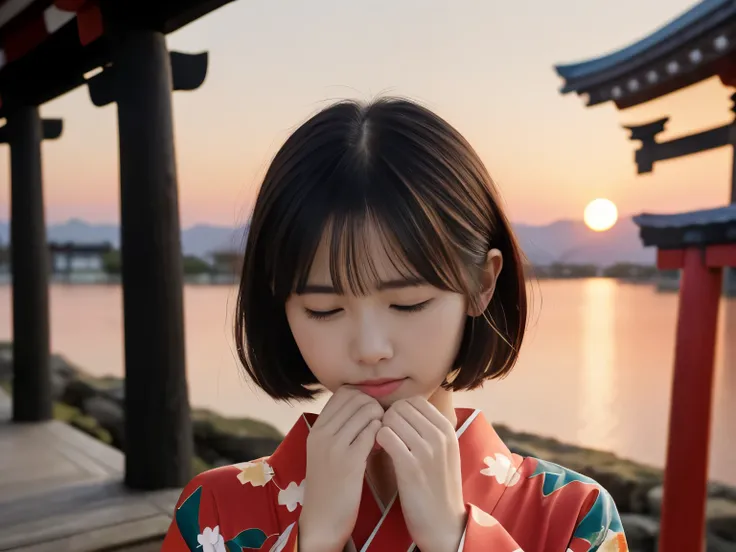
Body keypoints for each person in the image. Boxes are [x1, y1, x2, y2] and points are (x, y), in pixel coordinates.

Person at [161, 97, 628, 552]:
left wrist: (453, 538)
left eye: (408, 303)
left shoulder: (575, 516)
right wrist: (315, 540)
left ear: (482, 284)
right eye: (323, 309)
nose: (370, 348)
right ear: (279, 305)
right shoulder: (213, 513)